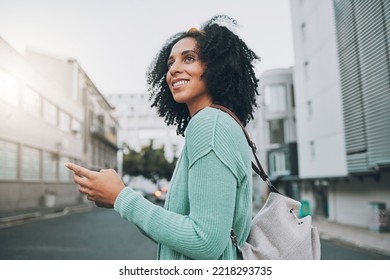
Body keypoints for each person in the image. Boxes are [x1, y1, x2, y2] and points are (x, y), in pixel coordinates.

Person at [65, 14, 260, 260]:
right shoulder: (222, 123)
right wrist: (120, 199)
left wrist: (121, 196)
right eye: (170, 63)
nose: (174, 69)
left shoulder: (209, 124)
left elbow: (205, 242)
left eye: (189, 58)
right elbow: (177, 233)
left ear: (218, 67)